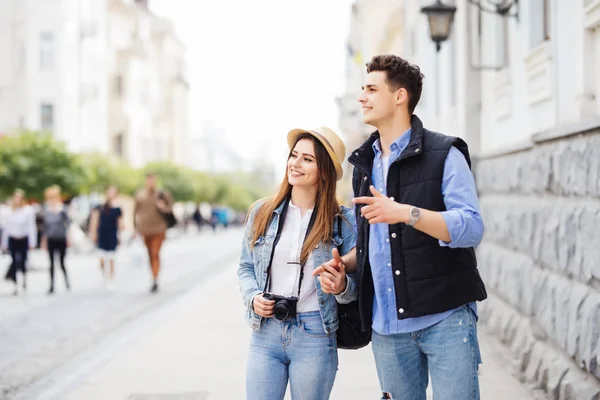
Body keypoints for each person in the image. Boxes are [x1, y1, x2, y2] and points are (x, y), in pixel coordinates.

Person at [326, 54, 487, 400]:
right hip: (387, 329)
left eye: (371, 89)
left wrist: (406, 213)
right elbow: (373, 242)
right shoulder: (364, 165)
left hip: (445, 319)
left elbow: (471, 227)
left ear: (400, 96)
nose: (362, 97)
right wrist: (344, 265)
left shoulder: (445, 153)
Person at [238, 127, 358, 400]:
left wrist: (340, 286)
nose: (295, 163)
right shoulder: (262, 213)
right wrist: (253, 296)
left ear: (324, 171)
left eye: (307, 159)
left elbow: (356, 288)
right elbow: (245, 268)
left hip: (314, 335)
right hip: (265, 333)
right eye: (294, 155)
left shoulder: (342, 222)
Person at [133, 172, 173, 293]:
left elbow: (170, 209)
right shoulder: (140, 195)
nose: (151, 182)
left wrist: (163, 207)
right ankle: (153, 275)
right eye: (149, 180)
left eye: (153, 180)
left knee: (155, 253)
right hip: (145, 229)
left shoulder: (162, 194)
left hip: (159, 229)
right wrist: (135, 228)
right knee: (150, 254)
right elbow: (134, 212)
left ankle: (155, 278)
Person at [1, 189, 37, 295]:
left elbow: (31, 227)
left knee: (23, 260)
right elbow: (7, 228)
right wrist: (4, 243)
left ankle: (24, 279)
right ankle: (15, 283)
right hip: (13, 239)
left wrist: (32, 242)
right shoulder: (10, 211)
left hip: (23, 238)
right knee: (14, 261)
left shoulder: (27, 210)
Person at [89, 186, 123, 285]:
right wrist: (93, 233)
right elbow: (94, 222)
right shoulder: (99, 207)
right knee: (102, 258)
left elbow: (120, 223)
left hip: (112, 234)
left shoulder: (117, 209)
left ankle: (111, 276)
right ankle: (105, 272)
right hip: (102, 234)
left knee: (112, 257)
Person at [42, 185, 71, 294]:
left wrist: (69, 238)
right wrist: (43, 241)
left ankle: (67, 282)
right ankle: (52, 285)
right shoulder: (46, 210)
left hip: (61, 238)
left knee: (62, 262)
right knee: (51, 263)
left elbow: (68, 225)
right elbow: (44, 228)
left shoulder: (62, 209)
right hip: (51, 239)